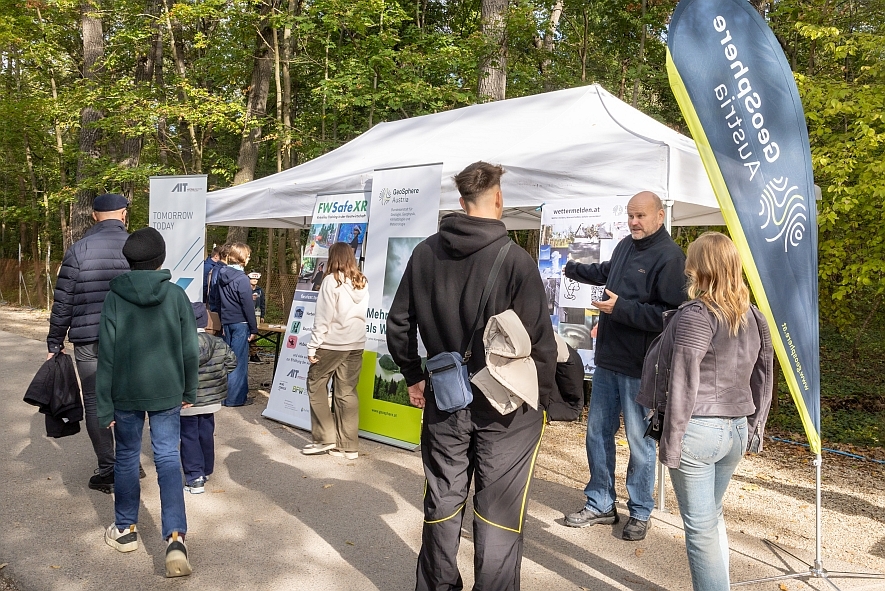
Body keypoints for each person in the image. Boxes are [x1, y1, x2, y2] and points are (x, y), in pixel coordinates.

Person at [387, 161, 557, 591]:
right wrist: (550, 400)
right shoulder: (517, 260)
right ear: (498, 199)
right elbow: (540, 342)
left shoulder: (425, 252)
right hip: (508, 408)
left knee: (443, 498)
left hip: (447, 397)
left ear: (461, 203)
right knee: (498, 509)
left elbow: (399, 323)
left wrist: (412, 374)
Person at [636, 232, 773, 590]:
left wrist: (672, 440)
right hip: (736, 429)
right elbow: (764, 374)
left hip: (699, 430)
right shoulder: (754, 316)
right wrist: (756, 424)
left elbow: (682, 380)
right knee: (710, 518)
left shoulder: (698, 315)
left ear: (699, 268)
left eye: (691, 261)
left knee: (699, 528)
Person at [563, 191, 686, 541]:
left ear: (659, 216)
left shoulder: (671, 257)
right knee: (597, 434)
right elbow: (607, 272)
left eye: (641, 216)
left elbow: (671, 317)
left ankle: (640, 511)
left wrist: (622, 310)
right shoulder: (624, 246)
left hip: (642, 368)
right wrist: (573, 268)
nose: (634, 222)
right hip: (608, 360)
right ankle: (600, 503)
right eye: (631, 216)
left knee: (639, 441)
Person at [95, 227, 198, 578]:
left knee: (125, 456)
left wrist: (104, 405)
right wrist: (190, 390)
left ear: (129, 260)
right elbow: (189, 350)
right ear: (161, 259)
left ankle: (124, 530)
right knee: (168, 457)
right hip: (168, 389)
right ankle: (175, 539)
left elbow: (105, 355)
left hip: (125, 392)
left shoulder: (115, 298)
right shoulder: (176, 296)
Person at [46, 192, 130, 493]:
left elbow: (63, 301)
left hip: (88, 338)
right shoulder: (136, 247)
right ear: (123, 214)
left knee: (95, 401)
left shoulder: (78, 250)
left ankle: (108, 469)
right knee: (127, 400)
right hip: (128, 339)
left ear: (94, 215)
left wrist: (55, 340)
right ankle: (131, 462)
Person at [302, 242, 369, 459]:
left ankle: (324, 438)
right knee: (346, 392)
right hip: (356, 344)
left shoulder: (331, 281)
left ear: (333, 257)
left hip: (332, 344)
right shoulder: (361, 281)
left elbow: (323, 318)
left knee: (315, 384)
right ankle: (348, 446)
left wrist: (313, 346)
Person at [182, 302, 237, 494]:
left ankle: (194, 477)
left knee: (188, 437)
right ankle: (206, 469)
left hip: (187, 401)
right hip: (212, 400)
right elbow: (232, 363)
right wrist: (219, 376)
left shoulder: (179, 343)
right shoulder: (219, 343)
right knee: (205, 433)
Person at [215, 243, 257, 407]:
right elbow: (248, 306)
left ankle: (225, 397)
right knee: (238, 362)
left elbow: (217, 300)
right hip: (241, 323)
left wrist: (222, 320)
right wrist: (253, 328)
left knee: (227, 360)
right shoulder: (242, 279)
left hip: (227, 322)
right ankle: (235, 399)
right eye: (247, 256)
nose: (249, 258)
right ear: (242, 258)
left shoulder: (221, 274)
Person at [247, 272, 266, 363]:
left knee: (254, 335)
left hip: (257, 315)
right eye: (253, 279)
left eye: (256, 279)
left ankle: (253, 354)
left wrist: (262, 315)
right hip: (246, 315)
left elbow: (262, 303)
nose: (254, 281)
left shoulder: (260, 290)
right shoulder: (245, 289)